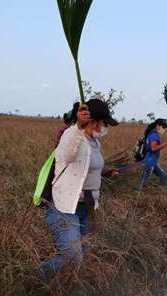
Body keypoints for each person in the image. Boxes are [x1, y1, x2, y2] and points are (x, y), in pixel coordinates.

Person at [40, 99, 120, 281]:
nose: (105, 127)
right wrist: (78, 128)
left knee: (85, 252)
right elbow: (67, 156)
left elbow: (85, 167)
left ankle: (64, 286)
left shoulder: (94, 141)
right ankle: (34, 277)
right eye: (104, 123)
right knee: (72, 257)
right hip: (66, 207)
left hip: (88, 206)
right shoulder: (71, 134)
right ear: (93, 121)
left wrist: (105, 172)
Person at [138, 118, 167, 190]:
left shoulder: (153, 133)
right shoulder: (154, 135)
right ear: (158, 126)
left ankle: (160, 192)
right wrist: (165, 144)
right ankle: (138, 194)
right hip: (150, 161)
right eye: (163, 127)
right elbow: (153, 148)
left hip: (153, 161)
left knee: (163, 176)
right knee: (144, 182)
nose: (164, 129)